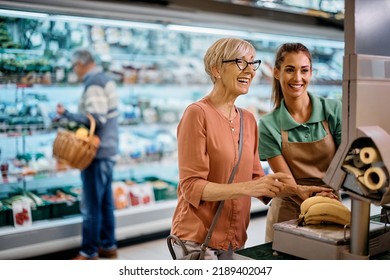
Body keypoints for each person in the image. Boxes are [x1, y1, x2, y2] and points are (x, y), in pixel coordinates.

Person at [170, 38, 331, 260]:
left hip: (235, 238)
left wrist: (297, 190)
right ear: (216, 69)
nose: (250, 71)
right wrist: (250, 187)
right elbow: (192, 187)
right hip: (198, 240)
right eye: (240, 62)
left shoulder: (248, 119)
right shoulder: (197, 114)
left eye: (252, 63)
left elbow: (257, 179)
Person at [258, 42, 342, 242]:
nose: (297, 78)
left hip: (330, 205)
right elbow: (287, 181)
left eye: (304, 70)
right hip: (287, 211)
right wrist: (311, 202)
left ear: (311, 73)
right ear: (276, 73)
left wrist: (326, 200)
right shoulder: (268, 125)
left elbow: (345, 162)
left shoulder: (333, 110)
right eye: (289, 70)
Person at [56, 49, 120, 260]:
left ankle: (89, 251)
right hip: (108, 149)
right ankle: (108, 245)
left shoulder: (94, 83)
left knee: (91, 203)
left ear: (81, 64)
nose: (75, 71)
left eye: (74, 66)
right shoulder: (105, 79)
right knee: (105, 202)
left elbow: (97, 118)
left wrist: (67, 114)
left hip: (96, 152)